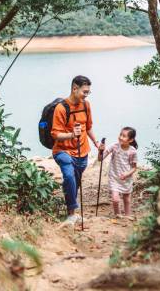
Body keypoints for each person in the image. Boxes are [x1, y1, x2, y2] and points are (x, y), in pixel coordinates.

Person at [51, 75, 102, 225]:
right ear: (74, 89)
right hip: (62, 151)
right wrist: (72, 135)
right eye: (84, 92)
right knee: (69, 176)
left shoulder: (86, 105)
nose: (86, 95)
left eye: (88, 92)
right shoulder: (61, 108)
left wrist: (96, 143)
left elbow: (89, 127)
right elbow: (55, 134)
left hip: (82, 151)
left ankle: (69, 210)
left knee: (75, 181)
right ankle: (72, 214)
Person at [98, 127, 138, 218]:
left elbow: (134, 168)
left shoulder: (132, 151)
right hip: (114, 177)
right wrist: (100, 151)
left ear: (131, 139)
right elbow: (100, 159)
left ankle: (128, 216)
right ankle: (118, 215)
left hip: (126, 179)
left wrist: (127, 174)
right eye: (120, 134)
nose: (120, 137)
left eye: (124, 136)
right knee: (115, 199)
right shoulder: (114, 146)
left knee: (126, 199)